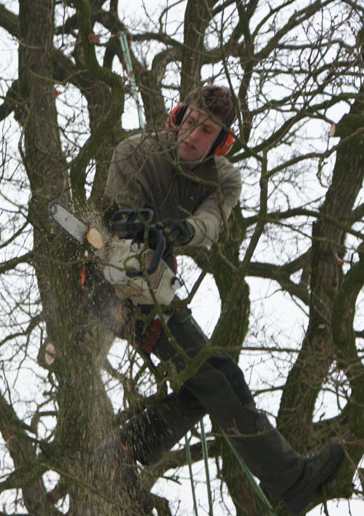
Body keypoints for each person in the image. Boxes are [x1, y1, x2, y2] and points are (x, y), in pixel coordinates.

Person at [92, 85, 344, 515]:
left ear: (220, 140)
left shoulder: (223, 177)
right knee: (216, 379)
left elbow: (211, 221)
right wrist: (138, 228)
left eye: (205, 129)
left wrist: (182, 231)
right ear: (178, 115)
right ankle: (291, 479)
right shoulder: (136, 150)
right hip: (112, 285)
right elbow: (114, 214)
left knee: (214, 380)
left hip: (156, 291)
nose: (192, 133)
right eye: (190, 121)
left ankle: (122, 448)